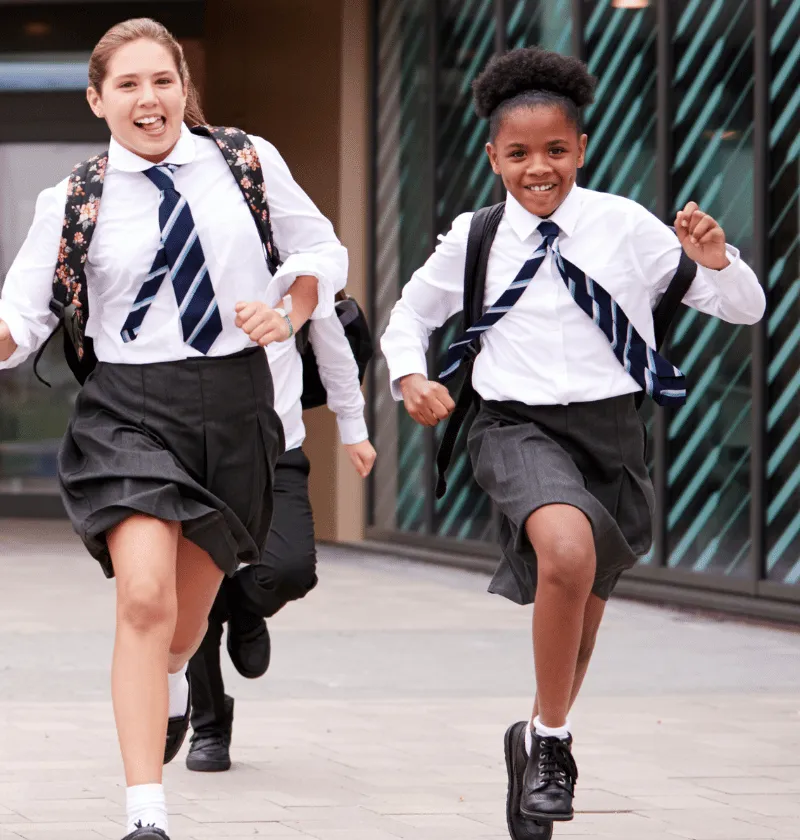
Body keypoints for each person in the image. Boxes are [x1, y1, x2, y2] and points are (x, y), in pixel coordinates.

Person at [380, 47, 765, 840]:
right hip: (512, 426)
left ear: (581, 149)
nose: (539, 168)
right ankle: (555, 744)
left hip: (611, 432)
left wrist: (717, 261)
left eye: (556, 150)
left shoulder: (624, 226)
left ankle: (533, 738)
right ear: (494, 157)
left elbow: (746, 309)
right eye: (519, 153)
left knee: (583, 620)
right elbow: (410, 315)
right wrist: (410, 377)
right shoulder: (475, 237)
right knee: (564, 551)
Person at [0, 18, 347, 840]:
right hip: (128, 409)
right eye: (127, 84)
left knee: (184, 628)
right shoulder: (73, 199)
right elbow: (23, 315)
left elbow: (320, 251)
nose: (148, 98)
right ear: (98, 101)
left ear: (184, 87)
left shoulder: (247, 162)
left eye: (162, 80)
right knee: (144, 597)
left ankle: (180, 678)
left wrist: (288, 313)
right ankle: (145, 814)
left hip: (235, 405)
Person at [186, 310, 376, 772]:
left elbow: (332, 343)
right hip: (191, 449)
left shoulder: (291, 271)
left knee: (291, 569)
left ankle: (243, 609)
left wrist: (353, 427)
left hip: (277, 447)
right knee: (190, 595)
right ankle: (209, 726)